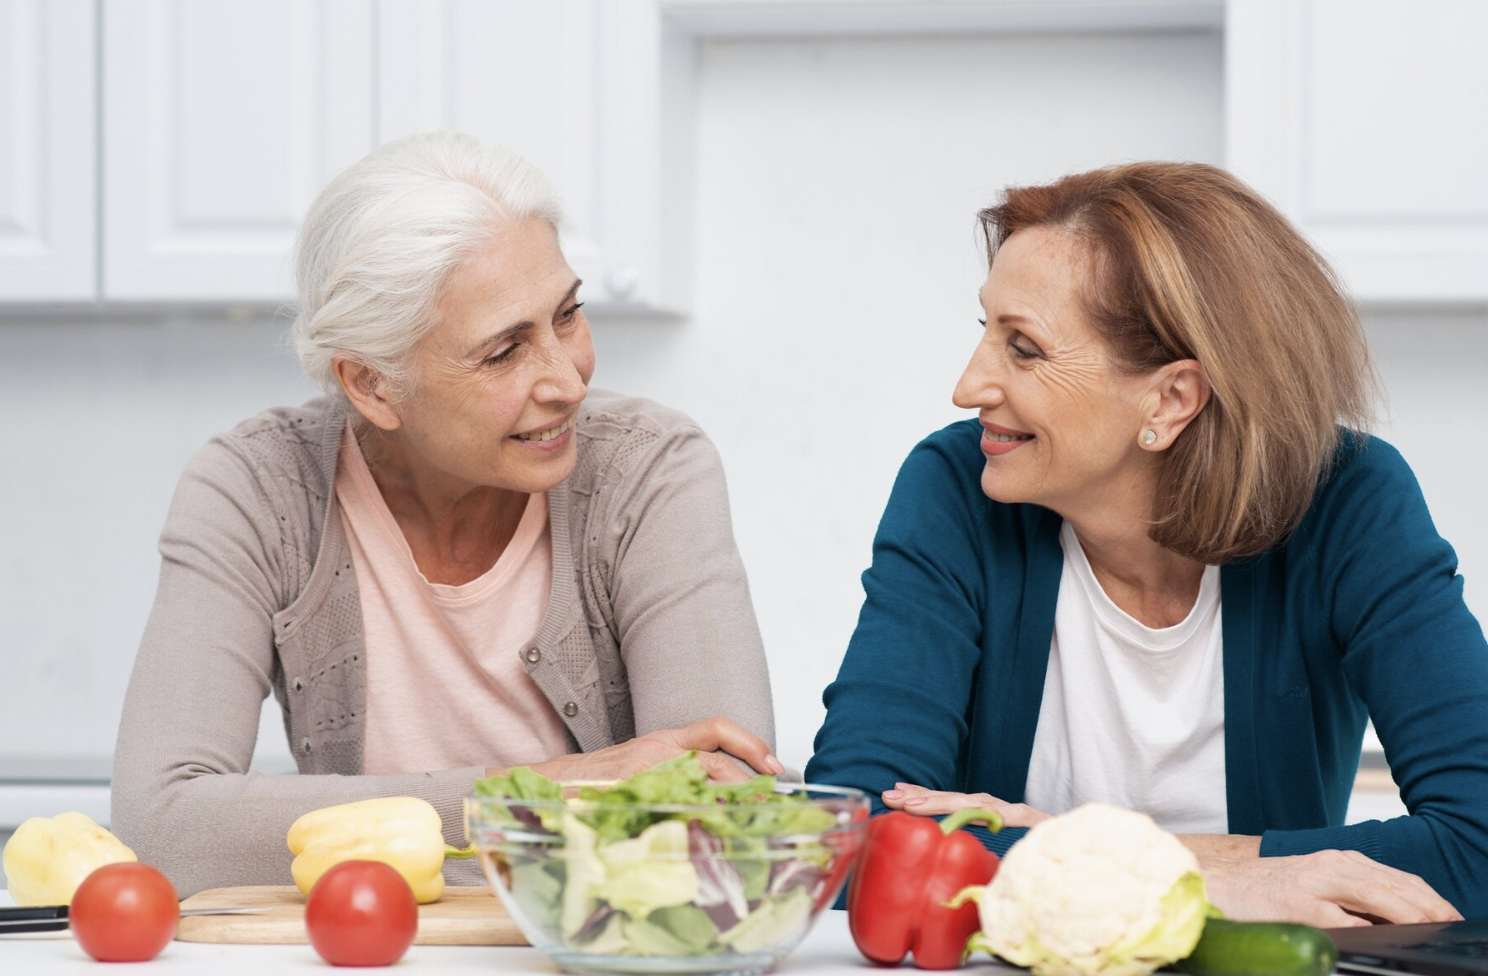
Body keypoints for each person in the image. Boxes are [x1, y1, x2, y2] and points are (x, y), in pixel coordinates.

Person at [806, 162, 1488, 926]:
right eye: (986, 332)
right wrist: (1205, 879)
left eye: (1023, 348)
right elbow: (851, 839)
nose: (968, 387)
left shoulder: (1349, 504)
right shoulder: (959, 488)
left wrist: (1103, 856)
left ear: (1170, 397)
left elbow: (1481, 845)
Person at [112, 132, 778, 897]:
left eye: (567, 314)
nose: (567, 380)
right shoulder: (257, 488)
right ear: (371, 385)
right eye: (504, 352)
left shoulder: (647, 470)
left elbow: (726, 814)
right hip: (368, 950)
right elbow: (162, 826)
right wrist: (540, 795)